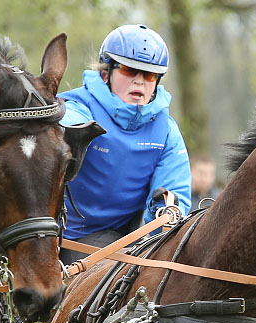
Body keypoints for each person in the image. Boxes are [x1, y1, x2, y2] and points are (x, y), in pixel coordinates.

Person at [58, 24, 191, 263]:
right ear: (105, 73)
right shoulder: (78, 107)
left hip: (117, 240)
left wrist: (169, 213)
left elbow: (174, 190)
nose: (139, 82)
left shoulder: (167, 131)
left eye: (149, 75)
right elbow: (60, 128)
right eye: (130, 71)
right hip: (52, 236)